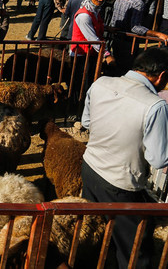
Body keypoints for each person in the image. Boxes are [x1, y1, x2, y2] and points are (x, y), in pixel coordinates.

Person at [81, 48, 168, 269]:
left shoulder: (100, 83)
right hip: (121, 184)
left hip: (91, 168)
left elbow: (88, 122)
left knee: (95, 232)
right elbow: (158, 159)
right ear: (162, 76)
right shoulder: (155, 106)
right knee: (135, 251)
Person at [108, 0, 168, 75]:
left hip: (117, 38)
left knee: (117, 68)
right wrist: (157, 34)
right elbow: (135, 27)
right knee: (125, 70)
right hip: (127, 42)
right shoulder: (138, 3)